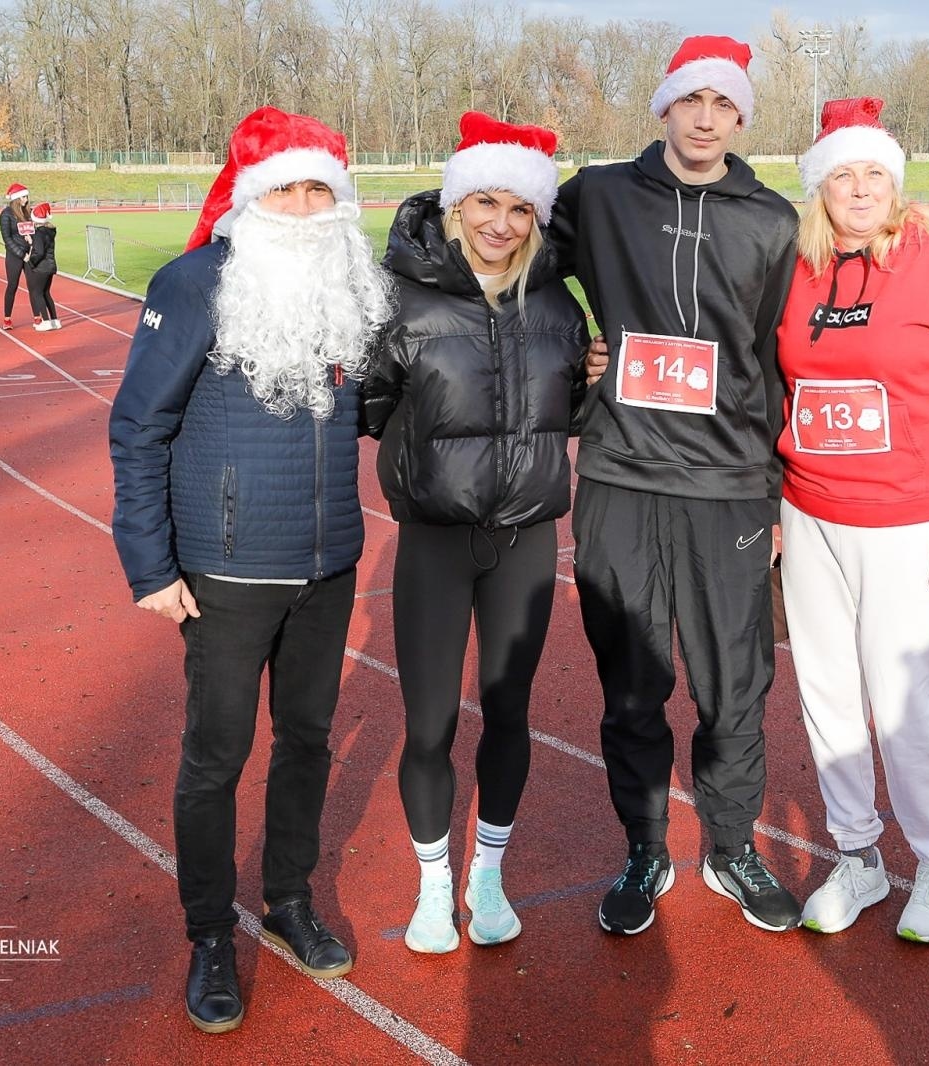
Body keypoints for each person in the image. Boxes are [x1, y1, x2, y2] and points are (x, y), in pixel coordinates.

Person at [109, 107, 393, 1034]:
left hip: (328, 564)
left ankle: (288, 898)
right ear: (250, 197)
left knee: (306, 741)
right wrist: (150, 565)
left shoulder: (354, 284)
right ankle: (207, 934)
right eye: (288, 189)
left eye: (321, 190)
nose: (305, 206)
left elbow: (374, 406)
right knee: (217, 755)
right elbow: (138, 426)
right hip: (227, 569)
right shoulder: (195, 283)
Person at [548, 35, 803, 935]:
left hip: (729, 484)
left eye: (722, 104)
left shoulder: (773, 221)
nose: (704, 117)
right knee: (631, 684)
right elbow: (512, 262)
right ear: (664, 106)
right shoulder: (602, 194)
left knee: (736, 684)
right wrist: (570, 359)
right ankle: (645, 848)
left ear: (740, 116)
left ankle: (731, 848)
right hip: (621, 473)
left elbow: (785, 356)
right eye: (689, 99)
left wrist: (780, 493)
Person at [776, 98, 929, 944]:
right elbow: (778, 391)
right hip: (809, 516)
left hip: (911, 525)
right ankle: (856, 857)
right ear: (820, 188)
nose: (860, 187)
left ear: (896, 182)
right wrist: (776, 502)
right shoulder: (797, 272)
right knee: (827, 699)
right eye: (842, 173)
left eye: (874, 171)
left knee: (905, 707)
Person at [363, 111, 588, 954]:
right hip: (434, 541)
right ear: (457, 206)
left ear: (537, 219)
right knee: (428, 724)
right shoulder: (399, 298)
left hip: (525, 539)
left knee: (508, 712)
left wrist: (596, 379)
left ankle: (487, 877)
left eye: (519, 209)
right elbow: (372, 407)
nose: (501, 223)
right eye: (485, 203)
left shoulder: (557, 306)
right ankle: (432, 885)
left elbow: (568, 414)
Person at [0, 182, 34, 329]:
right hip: (15, 255)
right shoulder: (6, 214)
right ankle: (7, 318)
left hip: (30, 254)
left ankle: (38, 316)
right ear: (17, 198)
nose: (26, 199)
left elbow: (34, 230)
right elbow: (7, 239)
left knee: (34, 286)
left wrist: (32, 243)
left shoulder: (28, 212)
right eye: (24, 197)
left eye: (27, 196)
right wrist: (21, 254)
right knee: (12, 285)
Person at [26, 202, 61, 331]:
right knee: (46, 293)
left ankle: (46, 321)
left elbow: (39, 251)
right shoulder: (50, 231)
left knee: (37, 293)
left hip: (41, 267)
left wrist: (30, 261)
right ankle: (54, 320)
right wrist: (32, 242)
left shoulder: (39, 233)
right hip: (50, 265)